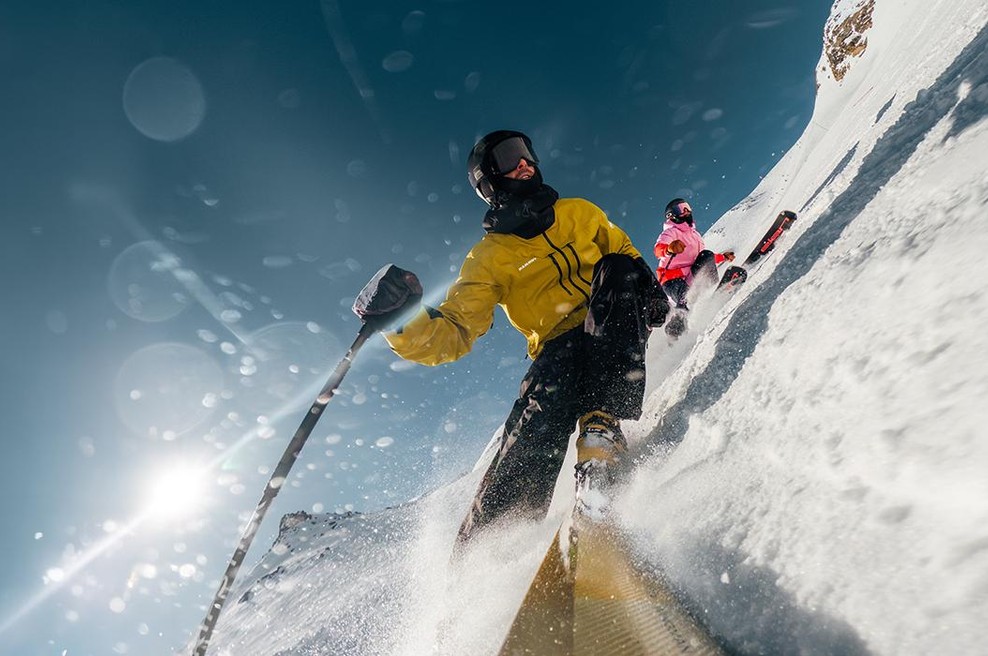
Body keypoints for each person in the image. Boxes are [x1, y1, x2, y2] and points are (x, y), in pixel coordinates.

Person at [354, 130, 668, 544]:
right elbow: (455, 330)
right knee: (542, 403)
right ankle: (492, 546)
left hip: (614, 324)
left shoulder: (579, 212)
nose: (523, 163)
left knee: (616, 268)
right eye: (507, 158)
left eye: (525, 153)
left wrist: (649, 289)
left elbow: (624, 252)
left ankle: (601, 431)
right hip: (559, 347)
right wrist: (400, 319)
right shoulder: (489, 258)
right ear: (488, 182)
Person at [653, 198, 735, 337]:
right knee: (685, 295)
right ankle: (677, 324)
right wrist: (669, 249)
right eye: (681, 209)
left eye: (687, 207)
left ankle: (711, 290)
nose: (686, 211)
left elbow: (702, 258)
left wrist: (723, 257)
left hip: (690, 276)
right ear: (671, 215)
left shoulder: (695, 235)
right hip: (672, 280)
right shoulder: (670, 232)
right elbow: (658, 250)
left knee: (706, 255)